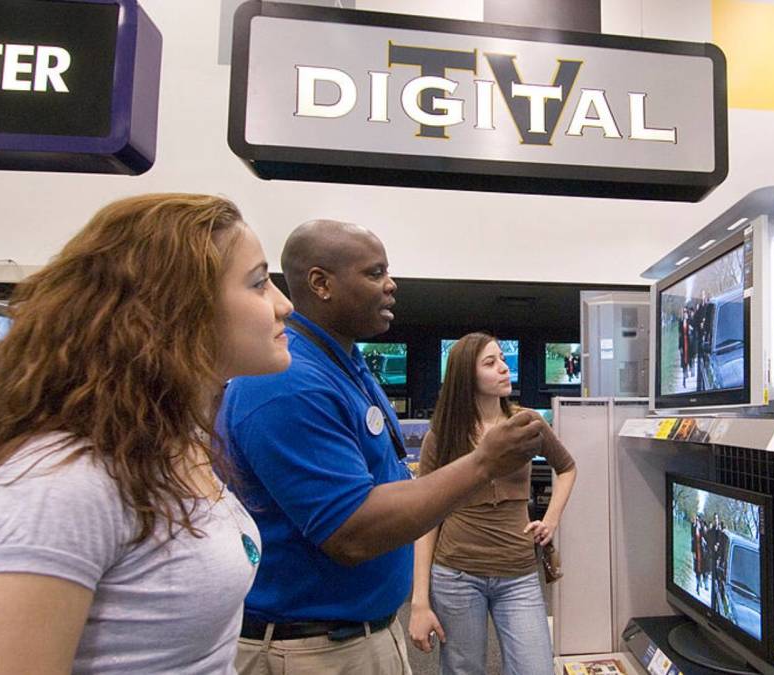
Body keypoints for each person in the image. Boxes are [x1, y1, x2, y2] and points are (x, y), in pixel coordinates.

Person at [222, 220, 544, 675]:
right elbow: (352, 532)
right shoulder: (289, 381)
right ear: (321, 284)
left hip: (361, 633)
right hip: (314, 649)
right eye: (375, 273)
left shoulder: (343, 364)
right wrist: (484, 463)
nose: (391, 284)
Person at [0, 194, 294, 673]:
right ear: (178, 309)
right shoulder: (62, 484)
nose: (284, 304)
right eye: (258, 284)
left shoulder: (170, 443)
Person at [408, 332, 577, 675]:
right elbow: (426, 519)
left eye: (502, 358)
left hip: (518, 572)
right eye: (490, 362)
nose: (503, 367)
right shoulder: (442, 435)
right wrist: (419, 602)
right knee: (464, 670)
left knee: (536, 669)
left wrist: (551, 519)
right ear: (466, 376)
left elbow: (567, 467)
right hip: (456, 573)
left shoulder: (527, 423)